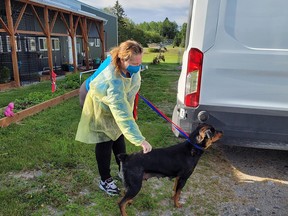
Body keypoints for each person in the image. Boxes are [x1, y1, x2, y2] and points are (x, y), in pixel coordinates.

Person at [75, 40, 152, 196]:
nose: (138, 66)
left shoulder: (130, 68)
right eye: (134, 63)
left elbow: (128, 96)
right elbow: (121, 112)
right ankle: (105, 180)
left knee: (118, 134)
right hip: (94, 98)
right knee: (105, 138)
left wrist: (128, 115)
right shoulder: (112, 79)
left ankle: (123, 170)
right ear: (123, 60)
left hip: (111, 99)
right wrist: (139, 140)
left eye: (140, 62)